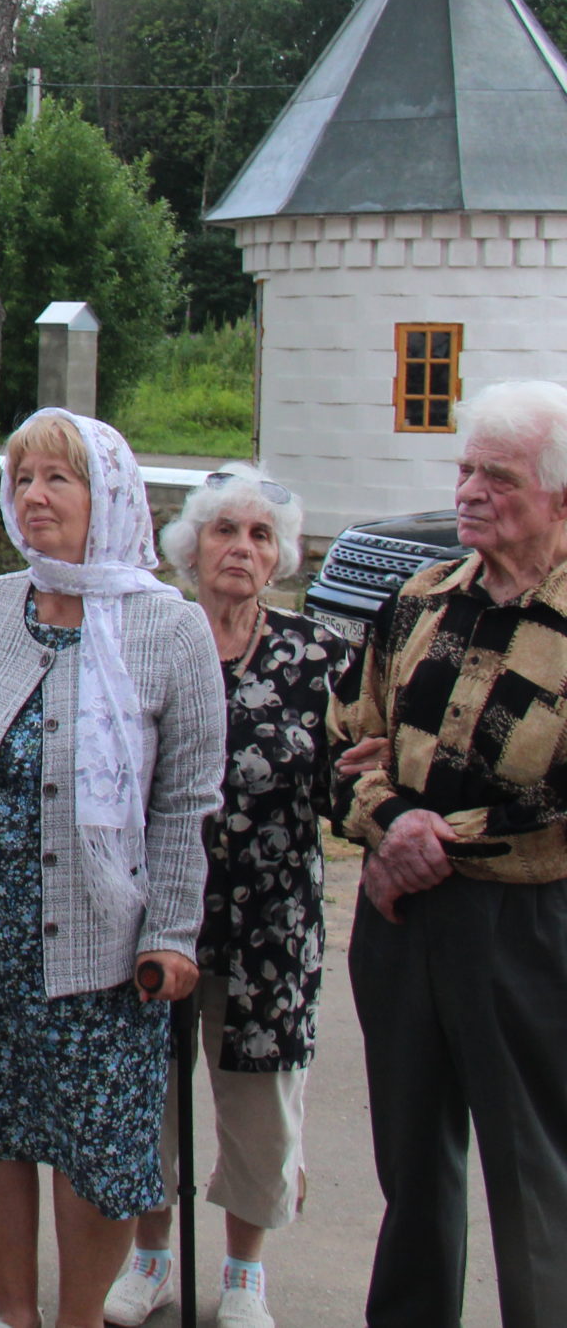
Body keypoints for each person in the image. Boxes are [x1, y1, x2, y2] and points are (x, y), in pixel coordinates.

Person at [0, 408, 224, 1328]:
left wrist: (174, 934)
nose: (33, 495)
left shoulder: (169, 627)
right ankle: (12, 1311)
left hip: (106, 944)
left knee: (98, 1145)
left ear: (106, 496)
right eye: (22, 476)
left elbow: (188, 801)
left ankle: (76, 1319)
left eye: (57, 479)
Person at [330, 378, 567, 1328]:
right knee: (412, 1169)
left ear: (559, 500)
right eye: (464, 469)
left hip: (529, 926)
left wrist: (430, 828)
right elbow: (341, 738)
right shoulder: (421, 597)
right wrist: (391, 824)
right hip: (401, 912)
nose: (467, 491)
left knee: (532, 1175)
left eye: (498, 478)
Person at [101, 466, 346, 1328]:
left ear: (279, 558)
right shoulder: (144, 635)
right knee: (146, 1099)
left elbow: (344, 786)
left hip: (272, 923)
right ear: (189, 545)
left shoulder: (319, 657)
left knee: (259, 1111)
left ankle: (245, 1273)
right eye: (224, 531)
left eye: (261, 535)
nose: (241, 548)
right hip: (148, 910)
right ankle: (150, 1257)